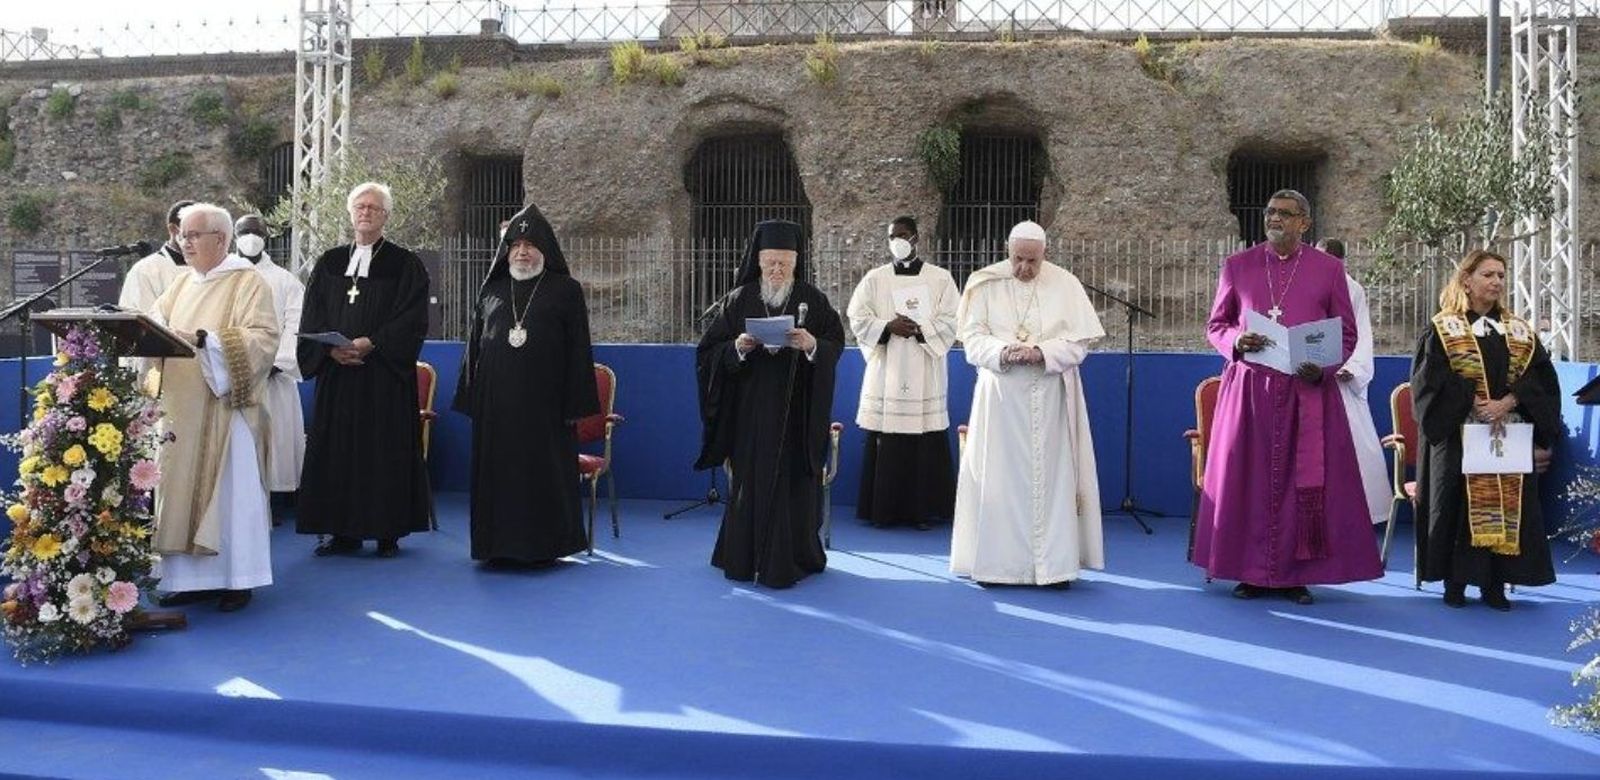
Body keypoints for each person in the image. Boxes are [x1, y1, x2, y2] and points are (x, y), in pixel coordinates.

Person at [1194, 190, 1383, 605]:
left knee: (1301, 485)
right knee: (1249, 481)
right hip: (1250, 393)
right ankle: (1250, 572)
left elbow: (1346, 332)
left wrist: (1325, 368)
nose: (1274, 218)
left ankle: (1296, 575)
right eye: (1270, 212)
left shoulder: (1329, 270)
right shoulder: (1237, 266)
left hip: (1306, 391)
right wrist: (1237, 340)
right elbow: (1217, 325)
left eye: (1285, 213)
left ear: (1304, 223)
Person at [949, 220, 1105, 589]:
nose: (1024, 268)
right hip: (1000, 398)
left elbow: (1079, 344)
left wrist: (1041, 352)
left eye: (1032, 261)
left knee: (1052, 482)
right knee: (998, 480)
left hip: (1051, 397)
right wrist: (1003, 351)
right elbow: (972, 338)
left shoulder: (1066, 284)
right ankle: (998, 567)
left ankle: (1053, 569)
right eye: (1018, 259)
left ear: (1044, 254)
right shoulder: (984, 283)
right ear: (1007, 252)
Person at [695, 219, 844, 589]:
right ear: (758, 262)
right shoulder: (739, 299)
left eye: (785, 264)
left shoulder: (813, 299)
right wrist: (737, 348)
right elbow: (708, 352)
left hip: (798, 412)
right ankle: (743, 557)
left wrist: (811, 345)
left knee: (793, 484)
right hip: (751, 413)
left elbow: (834, 344)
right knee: (751, 483)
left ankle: (793, 558)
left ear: (796, 262)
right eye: (771, 263)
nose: (777, 271)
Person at [146, 203, 279, 612]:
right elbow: (153, 326)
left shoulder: (247, 282)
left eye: (192, 235)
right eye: (181, 236)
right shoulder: (179, 285)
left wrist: (206, 341)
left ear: (220, 239)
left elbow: (264, 339)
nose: (184, 243)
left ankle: (238, 579)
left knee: (230, 496)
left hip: (225, 414)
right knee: (178, 491)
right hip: (179, 412)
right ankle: (187, 581)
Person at [1411, 249, 1560, 610]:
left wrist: (1508, 402)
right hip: (1458, 434)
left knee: (1507, 505)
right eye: (1488, 275)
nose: (1496, 282)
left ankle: (1495, 584)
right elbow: (1429, 383)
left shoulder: (1520, 331)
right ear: (1467, 280)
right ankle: (1455, 582)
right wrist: (1473, 400)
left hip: (1507, 434)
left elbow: (1540, 379)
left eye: (1501, 276)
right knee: (1457, 504)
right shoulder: (1442, 329)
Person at [453, 205, 598, 565]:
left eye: (530, 245)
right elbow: (475, 346)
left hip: (545, 408)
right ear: (506, 252)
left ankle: (543, 548)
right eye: (516, 245)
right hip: (496, 408)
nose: (522, 252)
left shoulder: (566, 290)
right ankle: (495, 547)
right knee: (497, 476)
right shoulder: (492, 290)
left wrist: (575, 404)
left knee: (540, 475)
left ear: (544, 250)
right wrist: (470, 397)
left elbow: (579, 349)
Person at [295, 182, 433, 558]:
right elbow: (313, 313)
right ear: (350, 213)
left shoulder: (405, 264)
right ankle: (343, 532)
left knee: (383, 452)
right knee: (338, 452)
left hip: (383, 378)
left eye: (373, 207)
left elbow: (412, 318)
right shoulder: (329, 262)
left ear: (386, 215)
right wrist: (330, 350)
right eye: (360, 206)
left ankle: (387, 532)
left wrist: (372, 342)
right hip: (338, 376)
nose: (366, 212)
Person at [846, 216, 958, 530]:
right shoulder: (875, 278)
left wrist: (922, 330)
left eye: (903, 235)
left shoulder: (940, 278)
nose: (897, 241)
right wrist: (887, 327)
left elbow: (952, 319)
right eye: (892, 236)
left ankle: (922, 512)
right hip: (888, 369)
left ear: (916, 238)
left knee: (924, 441)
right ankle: (882, 511)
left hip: (925, 367)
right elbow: (857, 316)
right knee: (887, 439)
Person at [1317, 237, 1391, 529]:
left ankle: (1356, 516)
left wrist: (1351, 368)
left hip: (1341, 379)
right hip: (1309, 377)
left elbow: (1361, 332)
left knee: (1354, 447)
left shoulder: (1353, 289)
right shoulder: (1305, 285)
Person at [235, 214, 306, 515]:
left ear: (266, 237)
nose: (251, 237)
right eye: (244, 232)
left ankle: (275, 501)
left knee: (275, 442)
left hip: (274, 377)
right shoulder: (224, 276)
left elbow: (296, 324)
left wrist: (275, 363)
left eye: (257, 232)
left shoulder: (285, 281)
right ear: (234, 237)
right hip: (234, 377)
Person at [118, 199, 195, 314]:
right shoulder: (146, 270)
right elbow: (144, 318)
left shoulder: (211, 267)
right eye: (193, 233)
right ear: (173, 230)